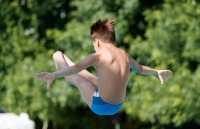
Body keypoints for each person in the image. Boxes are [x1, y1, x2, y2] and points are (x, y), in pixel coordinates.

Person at [35, 18, 172, 115]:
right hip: (117, 105)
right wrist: (156, 72)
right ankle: (65, 59)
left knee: (77, 79)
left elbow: (77, 68)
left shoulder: (99, 56)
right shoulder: (125, 55)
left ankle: (58, 56)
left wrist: (54, 75)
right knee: (90, 77)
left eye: (93, 44)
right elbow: (141, 69)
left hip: (100, 104)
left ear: (97, 41)